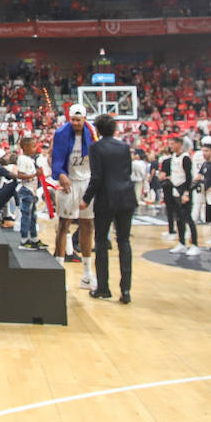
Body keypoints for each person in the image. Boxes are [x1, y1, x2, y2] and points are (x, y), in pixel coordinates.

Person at [82, 113, 138, 303]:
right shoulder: (124, 146)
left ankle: (103, 288)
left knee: (101, 242)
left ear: (97, 129)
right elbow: (127, 171)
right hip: (127, 197)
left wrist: (86, 198)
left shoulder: (96, 147)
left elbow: (96, 177)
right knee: (124, 242)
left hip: (106, 198)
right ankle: (126, 290)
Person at [51, 104, 96, 283]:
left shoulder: (93, 134)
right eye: (73, 120)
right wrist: (60, 174)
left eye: (79, 120)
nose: (76, 123)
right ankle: (59, 271)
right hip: (69, 181)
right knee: (64, 225)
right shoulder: (61, 133)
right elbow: (55, 159)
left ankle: (87, 272)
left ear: (85, 119)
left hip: (87, 181)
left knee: (88, 225)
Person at [160, 136, 198, 254]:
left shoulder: (185, 158)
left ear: (179, 144)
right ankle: (181, 243)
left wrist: (186, 192)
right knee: (179, 218)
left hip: (183, 190)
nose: (170, 146)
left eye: (172, 143)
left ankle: (195, 245)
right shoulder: (172, 158)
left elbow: (188, 177)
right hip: (174, 189)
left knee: (188, 218)